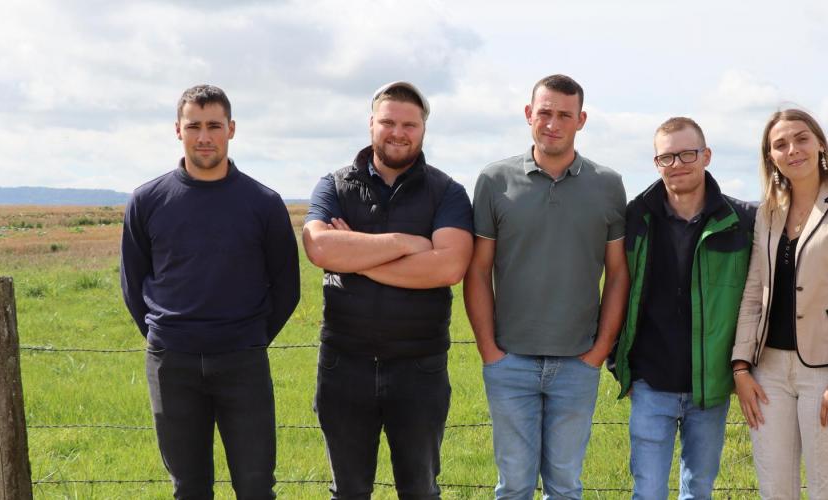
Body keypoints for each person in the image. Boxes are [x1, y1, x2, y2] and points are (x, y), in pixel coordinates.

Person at [120, 84, 300, 499]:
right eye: (194, 126)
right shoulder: (147, 201)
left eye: (214, 126)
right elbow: (133, 284)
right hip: (172, 365)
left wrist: (248, 338)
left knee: (256, 486)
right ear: (177, 130)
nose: (204, 137)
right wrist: (167, 336)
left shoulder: (264, 203)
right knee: (189, 488)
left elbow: (287, 287)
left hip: (243, 363)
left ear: (231, 129)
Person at [302, 81, 473, 500]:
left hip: (419, 368)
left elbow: (449, 266)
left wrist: (357, 256)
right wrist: (406, 245)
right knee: (348, 492)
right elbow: (319, 246)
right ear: (371, 124)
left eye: (409, 124)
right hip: (344, 364)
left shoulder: (447, 192)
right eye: (388, 122)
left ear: (423, 130)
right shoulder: (335, 184)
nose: (398, 132)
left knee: (419, 491)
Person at [464, 74, 629, 499]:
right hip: (510, 361)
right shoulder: (493, 181)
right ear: (528, 115)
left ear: (581, 120)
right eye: (545, 113)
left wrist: (598, 352)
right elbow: (478, 271)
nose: (553, 123)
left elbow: (618, 275)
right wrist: (489, 350)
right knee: (513, 485)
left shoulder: (608, 184)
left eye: (564, 115)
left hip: (577, 363)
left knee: (565, 485)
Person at [731, 108, 828, 499]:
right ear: (770, 157)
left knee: (826, 493)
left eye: (801, 138)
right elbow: (753, 293)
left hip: (827, 373)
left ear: (820, 144)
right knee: (775, 492)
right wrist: (741, 367)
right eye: (780, 144)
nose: (792, 149)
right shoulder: (768, 211)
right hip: (769, 376)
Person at [610, 117, 756, 500]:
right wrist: (615, 356)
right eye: (667, 157)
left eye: (687, 154)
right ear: (656, 163)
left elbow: (758, 297)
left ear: (706, 156)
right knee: (648, 492)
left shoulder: (741, 221)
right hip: (650, 380)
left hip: (710, 384)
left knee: (699, 490)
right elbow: (614, 285)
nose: (678, 164)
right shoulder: (635, 217)